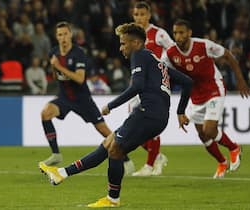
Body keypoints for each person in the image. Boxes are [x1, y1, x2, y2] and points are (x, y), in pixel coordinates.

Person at [39, 23, 193, 207]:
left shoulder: (139, 55)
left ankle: (112, 199)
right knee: (109, 144)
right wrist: (180, 111)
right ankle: (62, 173)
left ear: (135, 43)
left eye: (123, 43)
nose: (121, 48)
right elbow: (187, 82)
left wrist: (111, 106)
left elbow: (137, 86)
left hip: (148, 114)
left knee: (115, 150)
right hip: (155, 116)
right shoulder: (154, 60)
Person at [163, 19, 250, 178]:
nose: (178, 36)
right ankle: (222, 162)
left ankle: (234, 147)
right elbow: (160, 70)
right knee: (202, 135)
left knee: (209, 130)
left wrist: (240, 79)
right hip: (195, 95)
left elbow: (228, 55)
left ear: (189, 33)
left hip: (213, 88)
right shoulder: (170, 53)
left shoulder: (203, 45)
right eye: (175, 33)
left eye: (181, 32)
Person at [39, 22, 112, 165]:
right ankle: (56, 154)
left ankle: (126, 159)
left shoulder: (78, 53)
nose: (63, 37)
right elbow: (55, 77)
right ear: (56, 37)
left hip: (82, 99)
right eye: (60, 35)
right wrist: (54, 68)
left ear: (70, 34)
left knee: (103, 130)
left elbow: (80, 78)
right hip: (64, 97)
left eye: (66, 34)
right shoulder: (53, 53)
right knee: (45, 113)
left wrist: (59, 66)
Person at [126, 1, 175, 176]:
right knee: (133, 123)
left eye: (142, 14)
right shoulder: (132, 35)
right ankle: (157, 156)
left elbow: (173, 51)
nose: (139, 18)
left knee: (149, 121)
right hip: (137, 83)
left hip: (153, 85)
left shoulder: (159, 34)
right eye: (136, 15)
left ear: (149, 15)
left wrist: (162, 65)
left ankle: (148, 165)